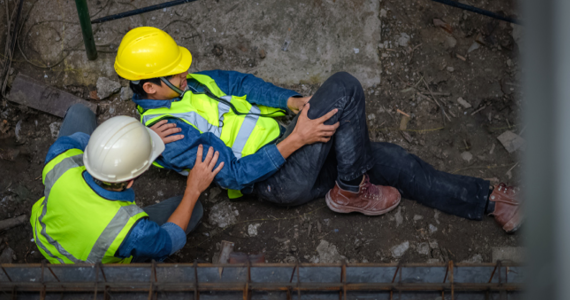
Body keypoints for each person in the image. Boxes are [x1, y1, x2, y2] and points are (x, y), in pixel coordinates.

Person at [113, 27, 521, 233]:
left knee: (393, 159)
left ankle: (487, 200)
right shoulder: (168, 133)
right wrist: (297, 139)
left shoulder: (190, 83)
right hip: (275, 180)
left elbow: (238, 83)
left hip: (290, 144)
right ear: (151, 87)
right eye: (176, 73)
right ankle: (349, 189)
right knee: (344, 86)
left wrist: (291, 102)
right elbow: (234, 175)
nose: (187, 72)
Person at [29, 104, 223, 264]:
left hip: (44, 237)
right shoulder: (131, 230)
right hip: (87, 271)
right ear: (130, 182)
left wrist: (137, 141)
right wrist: (193, 189)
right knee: (194, 209)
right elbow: (169, 241)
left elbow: (95, 148)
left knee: (79, 112)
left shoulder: (60, 156)